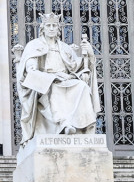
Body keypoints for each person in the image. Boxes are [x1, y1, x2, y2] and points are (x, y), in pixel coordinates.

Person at [16, 13, 100, 145]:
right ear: (43, 28)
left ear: (58, 28)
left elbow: (77, 67)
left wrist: (89, 54)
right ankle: (64, 123)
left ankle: (84, 125)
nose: (51, 28)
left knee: (82, 86)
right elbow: (30, 69)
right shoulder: (34, 45)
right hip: (47, 81)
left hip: (66, 80)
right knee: (53, 88)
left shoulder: (64, 48)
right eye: (48, 25)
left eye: (54, 25)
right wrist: (52, 77)